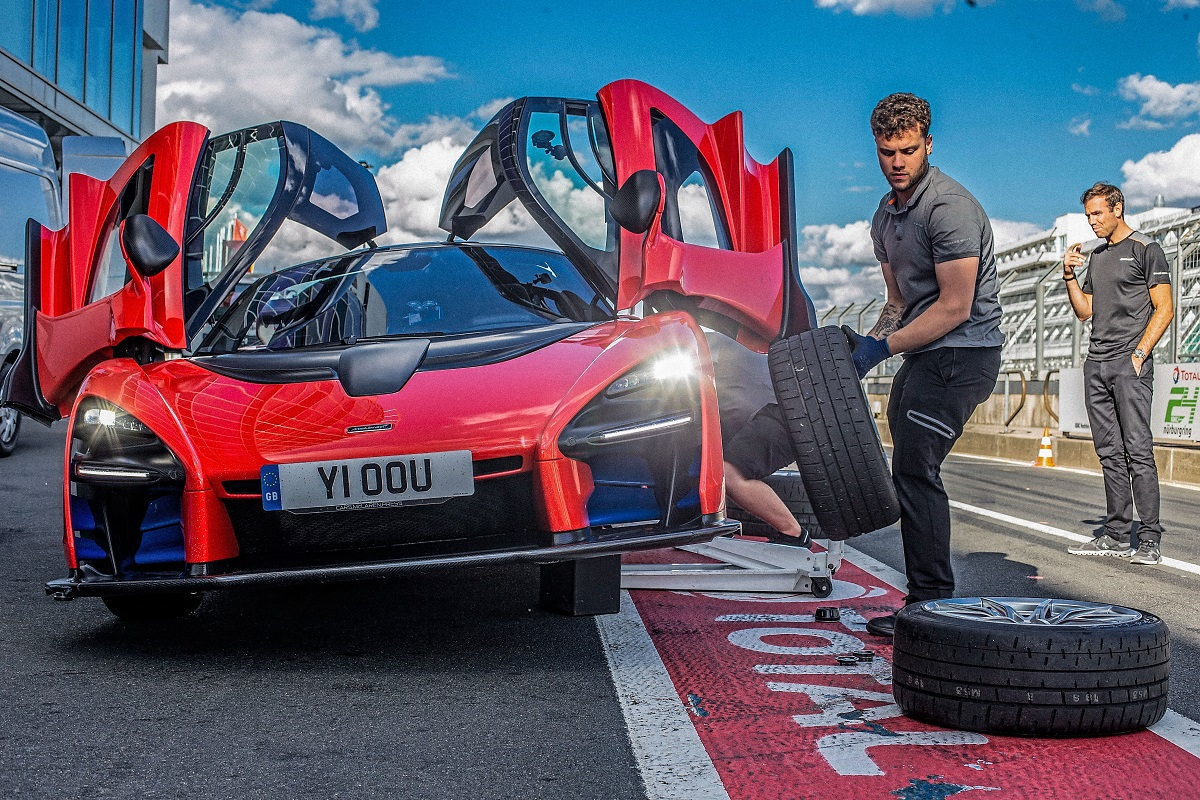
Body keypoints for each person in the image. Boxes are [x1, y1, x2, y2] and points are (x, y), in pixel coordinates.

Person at [842, 93, 1004, 638]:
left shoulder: (949, 208)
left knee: (916, 466)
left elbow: (955, 306)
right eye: (888, 151)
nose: (898, 161)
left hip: (964, 356)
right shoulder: (884, 219)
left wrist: (884, 350)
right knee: (904, 463)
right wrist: (867, 344)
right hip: (923, 354)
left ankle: (930, 605)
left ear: (928, 144)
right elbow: (896, 303)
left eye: (909, 150)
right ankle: (925, 596)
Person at [1062, 183, 1173, 565]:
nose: (1092, 221)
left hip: (1130, 363)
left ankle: (1149, 540)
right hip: (1097, 363)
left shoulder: (1146, 248)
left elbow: (1165, 307)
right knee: (1109, 452)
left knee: (1138, 451)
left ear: (1118, 208)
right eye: (1088, 215)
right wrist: (1068, 276)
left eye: (1098, 213)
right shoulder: (1096, 256)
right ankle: (1113, 533)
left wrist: (1140, 353)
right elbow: (1084, 311)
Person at [707, 332, 812, 547]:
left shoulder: (703, 346)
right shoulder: (715, 342)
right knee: (710, 461)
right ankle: (719, 526)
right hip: (772, 413)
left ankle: (794, 533)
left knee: (729, 474)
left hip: (780, 414)